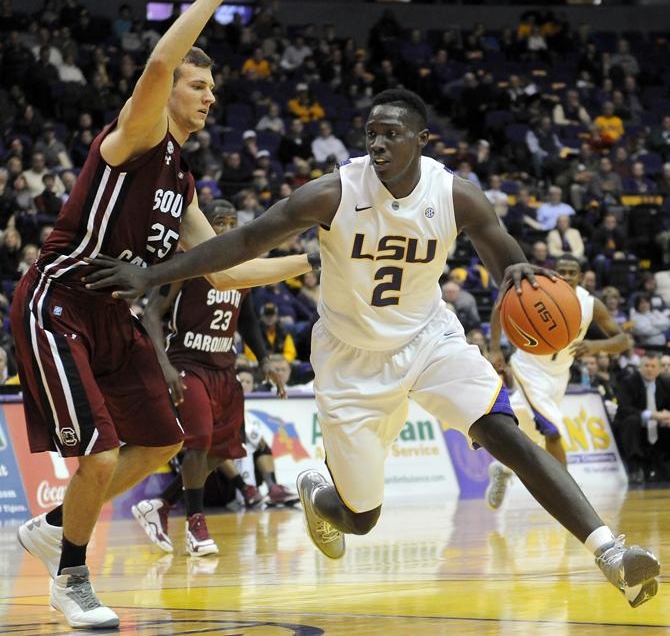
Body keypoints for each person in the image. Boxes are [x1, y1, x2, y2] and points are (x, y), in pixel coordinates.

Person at [83, 88, 660, 608]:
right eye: (372, 134)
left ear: (421, 139)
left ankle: (609, 550)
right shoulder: (333, 192)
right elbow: (243, 241)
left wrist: (516, 271)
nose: (379, 143)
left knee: (505, 433)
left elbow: (501, 247)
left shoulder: (455, 195)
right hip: (350, 360)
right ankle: (322, 491)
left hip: (428, 338)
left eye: (392, 133)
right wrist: (153, 276)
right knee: (361, 518)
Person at [10, 0, 250, 629]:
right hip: (60, 299)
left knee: (166, 440)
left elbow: (229, 272)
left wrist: (319, 248)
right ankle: (71, 577)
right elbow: (153, 66)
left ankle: (56, 527)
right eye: (198, 84)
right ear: (171, 90)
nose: (209, 96)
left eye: (212, 88)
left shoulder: (185, 178)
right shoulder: (141, 133)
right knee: (99, 454)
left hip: (114, 317)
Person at [132, 199, 310, 556]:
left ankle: (162, 505)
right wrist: (164, 365)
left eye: (232, 222)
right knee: (198, 444)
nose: (226, 229)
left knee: (223, 451)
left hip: (224, 367)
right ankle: (196, 525)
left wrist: (264, 362)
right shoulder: (187, 262)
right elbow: (151, 314)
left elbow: (248, 319)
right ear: (204, 225)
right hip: (188, 363)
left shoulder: (242, 268)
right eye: (219, 222)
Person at [487, 254, 632, 506]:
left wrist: (597, 345)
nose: (566, 275)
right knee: (552, 430)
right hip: (528, 367)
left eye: (571, 271)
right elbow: (500, 307)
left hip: (560, 374)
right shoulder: (537, 289)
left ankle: (503, 468)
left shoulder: (590, 304)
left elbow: (623, 341)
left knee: (533, 431)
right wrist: (496, 349)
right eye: (561, 270)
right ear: (554, 271)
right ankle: (568, 498)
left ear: (581, 275)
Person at [614, 353, 670, 484]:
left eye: (653, 366)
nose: (649, 369)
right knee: (632, 421)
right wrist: (652, 415)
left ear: (660, 369)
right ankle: (635, 469)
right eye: (646, 366)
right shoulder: (628, 382)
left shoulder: (665, 383)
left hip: (657, 430)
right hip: (633, 428)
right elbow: (623, 409)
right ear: (640, 367)